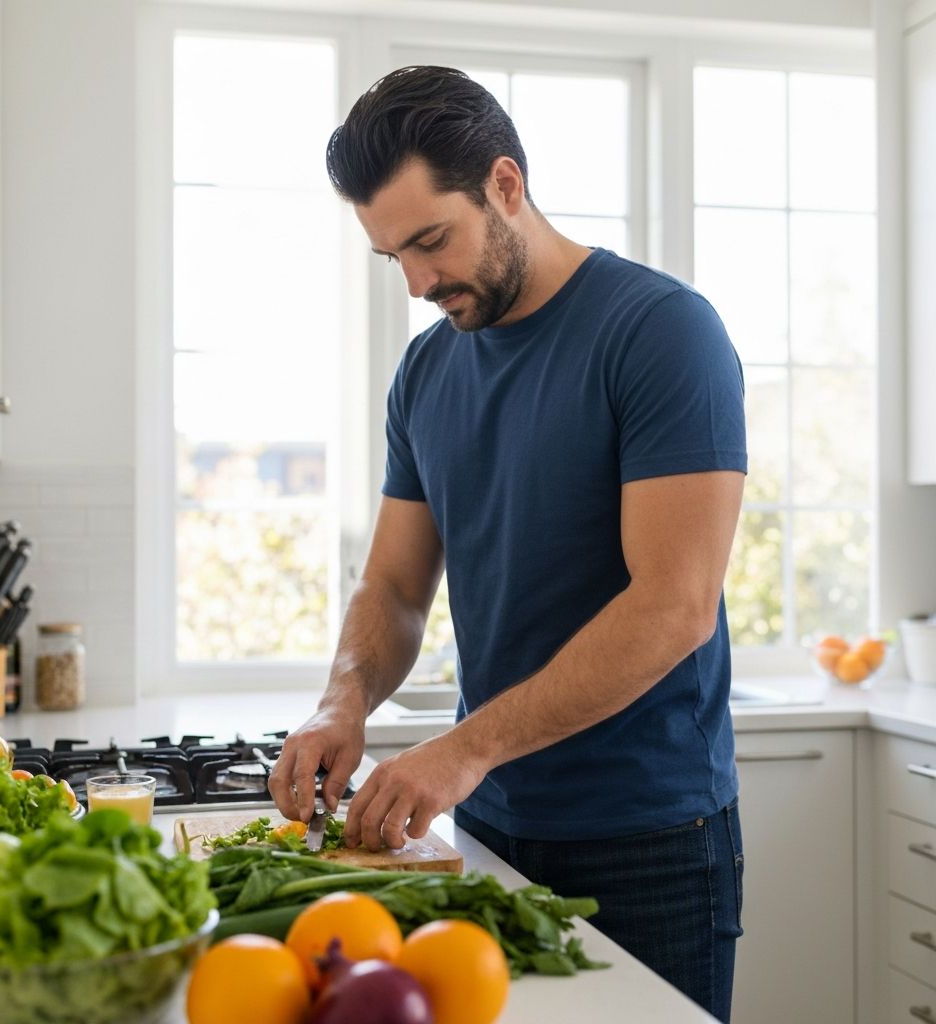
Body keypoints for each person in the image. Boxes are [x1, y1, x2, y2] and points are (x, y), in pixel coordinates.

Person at [268, 65, 747, 1021]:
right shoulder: (427, 369)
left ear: (505, 184)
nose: (416, 283)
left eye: (430, 242)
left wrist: (460, 751)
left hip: (646, 833)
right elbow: (397, 589)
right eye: (391, 256)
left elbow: (675, 605)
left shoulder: (661, 334)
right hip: (485, 822)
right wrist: (342, 700)